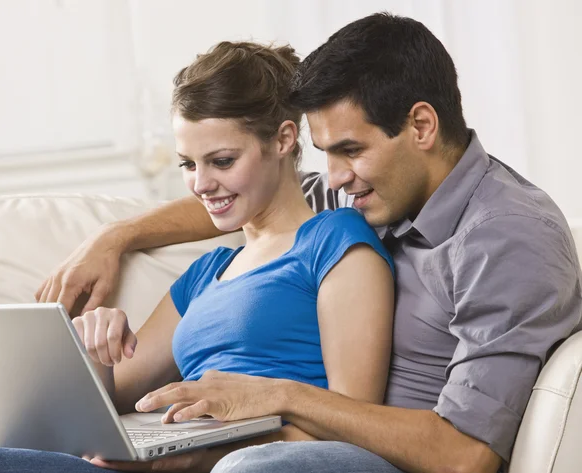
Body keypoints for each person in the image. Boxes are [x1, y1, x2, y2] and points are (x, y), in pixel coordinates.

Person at [31, 12, 581, 473]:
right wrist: (116, 236)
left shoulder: (506, 239)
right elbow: (243, 201)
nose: (335, 176)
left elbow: (468, 455)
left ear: (420, 126)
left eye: (349, 149)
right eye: (325, 153)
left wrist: (275, 396)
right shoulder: (371, 191)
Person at [0, 41, 395, 472]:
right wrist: (98, 351)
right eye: (188, 164)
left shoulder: (334, 241)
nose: (201, 184)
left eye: (221, 161)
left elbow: (356, 424)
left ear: (283, 140)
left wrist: (198, 457)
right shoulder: (206, 273)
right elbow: (117, 398)